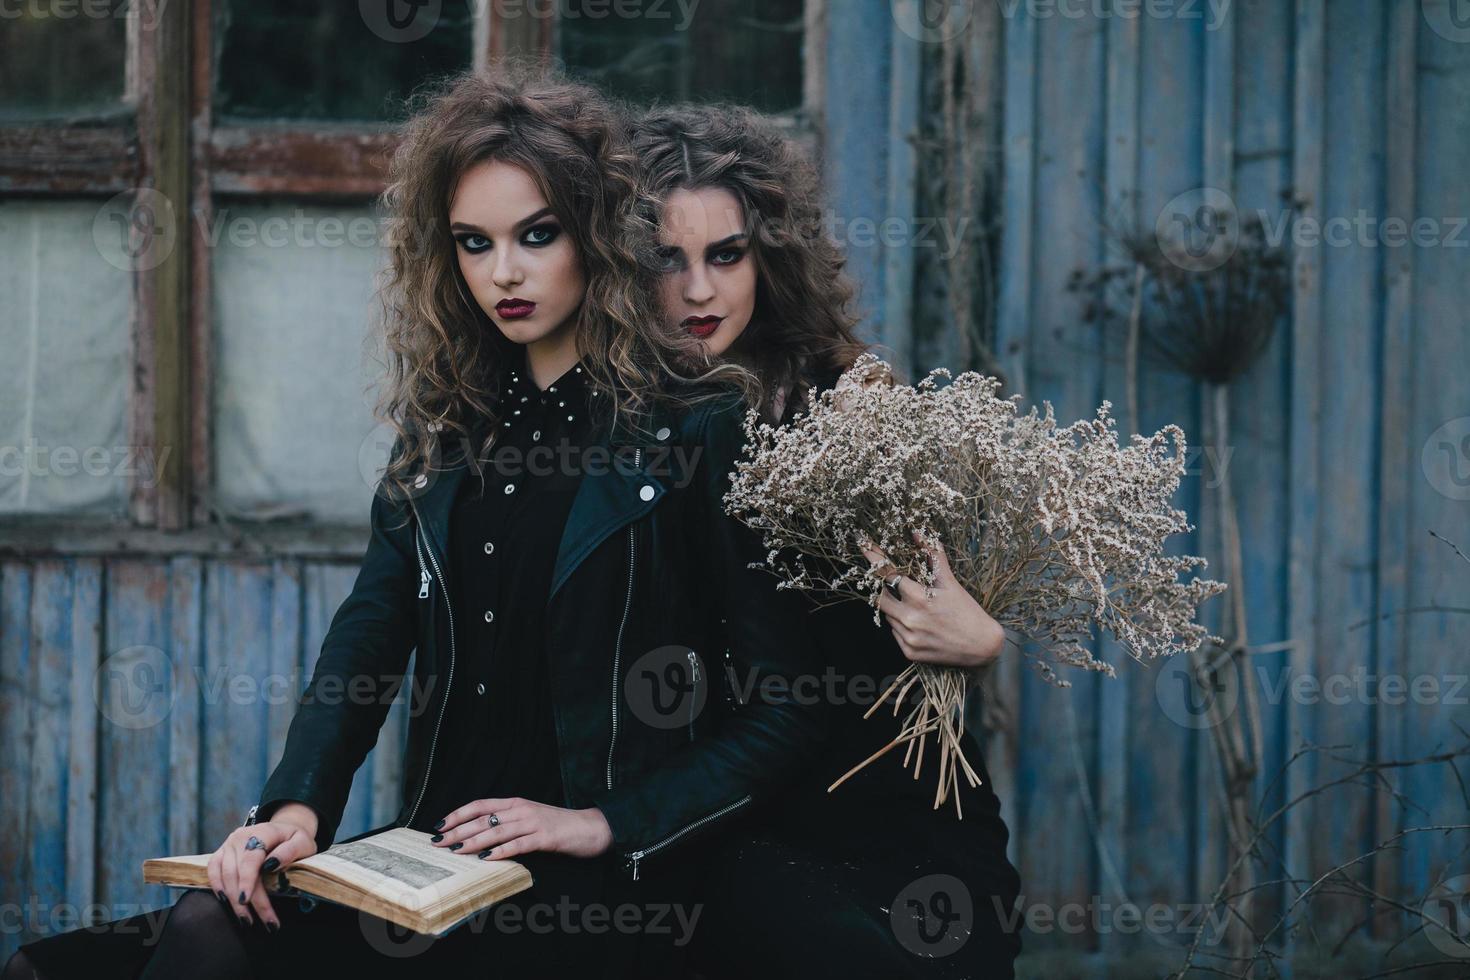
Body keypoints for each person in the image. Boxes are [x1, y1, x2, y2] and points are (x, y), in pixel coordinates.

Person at [5, 67, 825, 980]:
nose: (503, 273)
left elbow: (783, 713)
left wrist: (601, 823)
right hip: (426, 865)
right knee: (115, 949)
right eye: (474, 243)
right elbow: (367, 638)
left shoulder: (697, 427)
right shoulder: (444, 434)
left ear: (596, 233)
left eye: (537, 236)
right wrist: (294, 811)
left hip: (598, 889)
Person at [632, 103, 1024, 978]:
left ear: (769, 256)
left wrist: (981, 638)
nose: (700, 291)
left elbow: (947, 603)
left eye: (726, 255)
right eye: (668, 259)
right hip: (720, 820)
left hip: (896, 818)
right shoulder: (616, 430)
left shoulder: (853, 406)